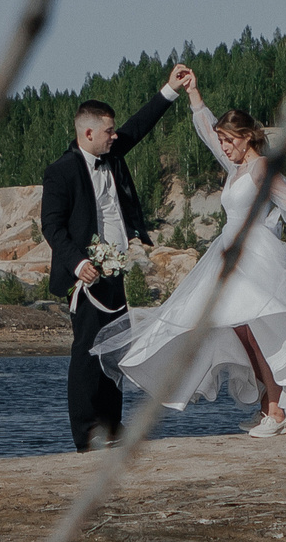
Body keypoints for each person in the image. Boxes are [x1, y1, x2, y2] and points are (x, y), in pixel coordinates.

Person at [90, 81, 286, 437]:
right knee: (238, 330)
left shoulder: (259, 168)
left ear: (247, 138)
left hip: (254, 256)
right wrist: (194, 96)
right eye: (222, 141)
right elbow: (208, 135)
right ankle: (266, 406)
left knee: (259, 332)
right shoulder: (236, 168)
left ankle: (276, 412)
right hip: (229, 255)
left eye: (229, 140)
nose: (224, 147)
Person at [40, 63, 192, 451]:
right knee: (87, 351)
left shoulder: (111, 149)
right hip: (83, 275)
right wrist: (78, 263)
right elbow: (52, 227)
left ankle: (111, 425)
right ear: (87, 133)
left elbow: (140, 125)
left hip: (115, 268)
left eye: (113, 130)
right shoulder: (60, 172)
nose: (114, 135)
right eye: (108, 130)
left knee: (115, 348)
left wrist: (170, 90)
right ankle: (86, 432)